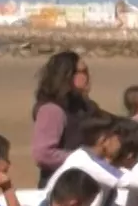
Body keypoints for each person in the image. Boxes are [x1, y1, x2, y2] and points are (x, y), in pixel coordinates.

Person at [30, 51, 92, 185]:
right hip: (61, 187)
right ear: (67, 75)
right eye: (81, 72)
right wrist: (84, 158)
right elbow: (43, 154)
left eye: (86, 71)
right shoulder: (52, 110)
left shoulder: (83, 105)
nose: (86, 76)